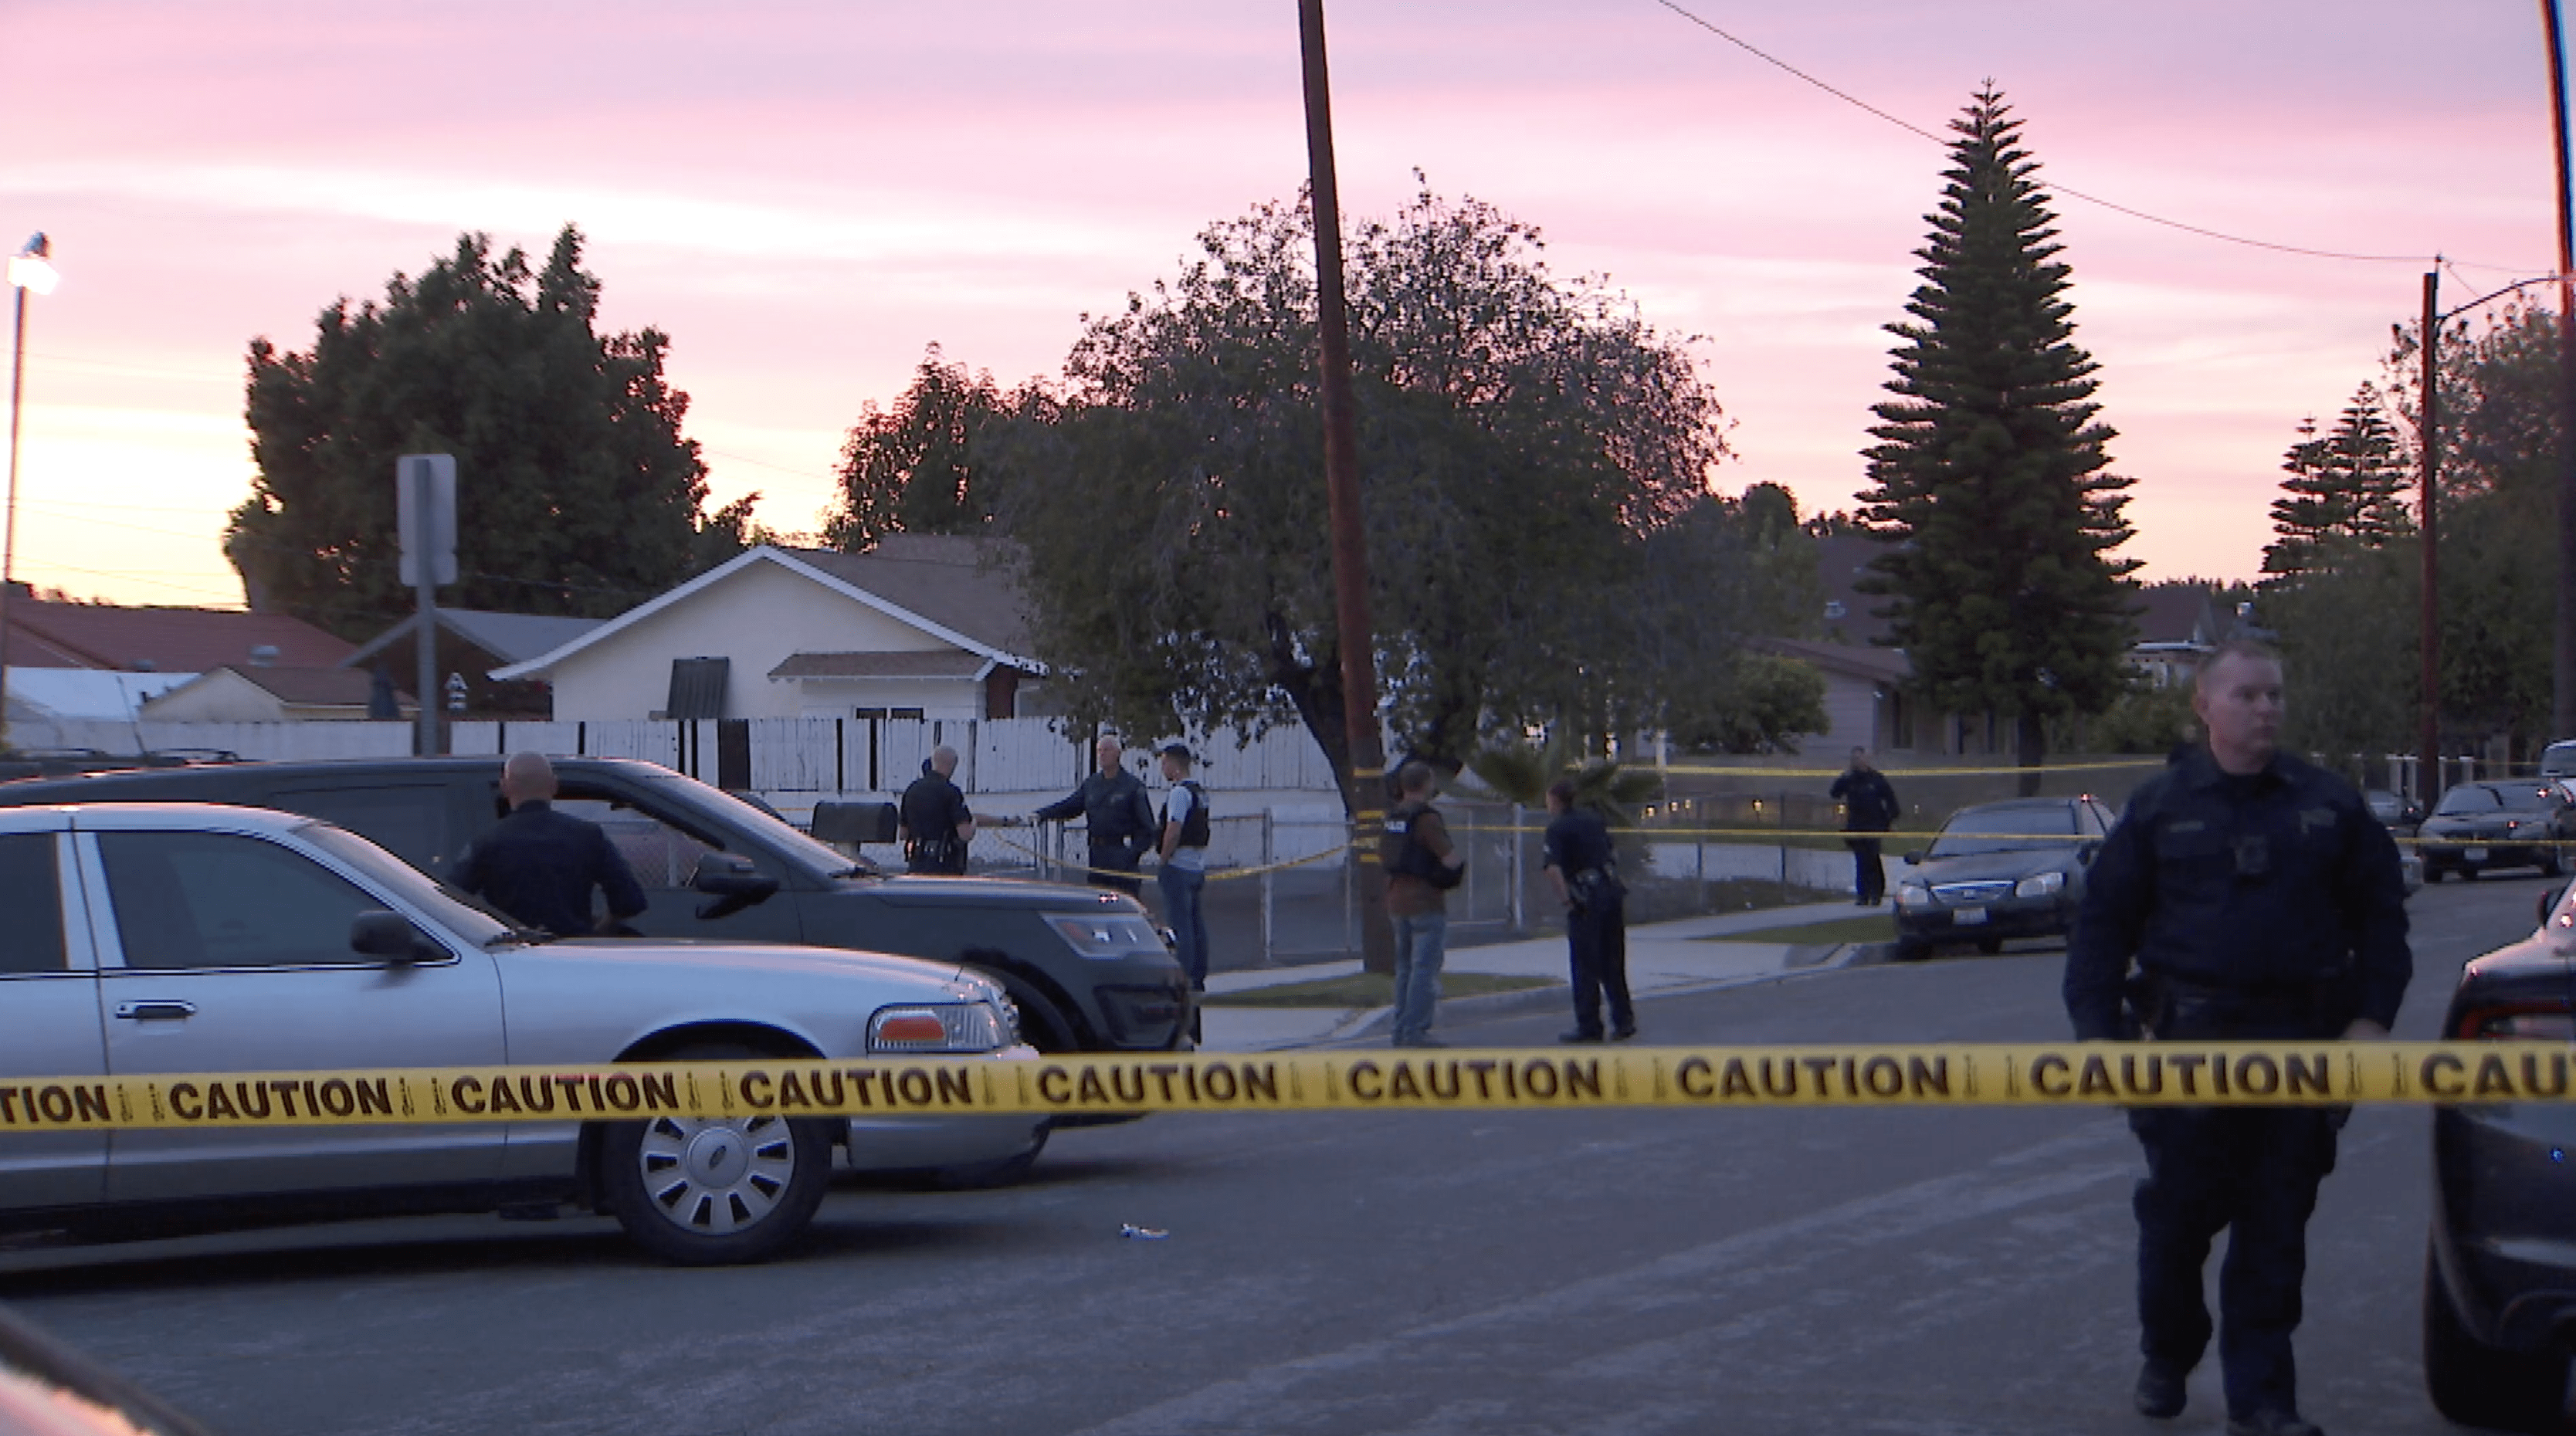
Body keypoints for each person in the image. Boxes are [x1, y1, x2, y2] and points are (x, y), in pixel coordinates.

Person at [2063, 640, 2411, 1436]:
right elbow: (2102, 930)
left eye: (2275, 696)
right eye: (2248, 696)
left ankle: (2262, 1402)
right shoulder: (2160, 808)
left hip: (2302, 1046)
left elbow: (2383, 923)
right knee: (2178, 1223)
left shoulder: (2328, 807)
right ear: (2205, 706)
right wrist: (2098, 1037)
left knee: (2274, 1229)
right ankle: (2169, 1348)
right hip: (2188, 1045)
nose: (2266, 710)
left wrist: (2369, 1022)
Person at [454, 751, 649, 937]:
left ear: (505, 788)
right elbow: (630, 902)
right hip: (572, 952)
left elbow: (452, 900)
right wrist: (597, 930)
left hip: (510, 955)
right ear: (554, 786)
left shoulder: (488, 842)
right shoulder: (588, 836)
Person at [1379, 760, 1464, 1048]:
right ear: (1426, 784)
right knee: (1424, 969)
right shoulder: (1426, 819)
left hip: (1396, 900)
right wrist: (1455, 870)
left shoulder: (1393, 816)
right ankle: (1415, 1030)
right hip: (1425, 902)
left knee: (1404, 969)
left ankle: (1400, 1030)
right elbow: (1449, 857)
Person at [1543, 777, 1634, 1044]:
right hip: (1610, 890)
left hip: (1586, 897)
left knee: (1585, 964)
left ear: (1556, 800)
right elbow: (1610, 851)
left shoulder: (1557, 828)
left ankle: (1590, 1025)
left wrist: (1567, 901)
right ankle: (1624, 1019)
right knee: (1613, 961)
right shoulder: (1594, 819)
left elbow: (1553, 868)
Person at [1033, 736, 1158, 896]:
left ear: (1117, 754)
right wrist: (1041, 814)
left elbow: (1147, 827)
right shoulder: (1092, 784)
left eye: (1107, 750)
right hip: (1097, 854)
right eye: (1099, 751)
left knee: (1124, 902)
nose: (1102, 755)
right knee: (1099, 901)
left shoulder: (1132, 786)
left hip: (1121, 853)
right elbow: (1070, 806)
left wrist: (1132, 853)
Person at [1154, 743, 1212, 991]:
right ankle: (1199, 975)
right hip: (1196, 867)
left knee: (1181, 927)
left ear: (1174, 766)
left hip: (1178, 867)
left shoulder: (1179, 793)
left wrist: (1164, 858)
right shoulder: (1201, 792)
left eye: (1164, 763)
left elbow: (1174, 830)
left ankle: (1184, 978)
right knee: (1196, 924)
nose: (1163, 768)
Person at [1829, 747, 1898, 906]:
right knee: (1861, 859)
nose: (1857, 762)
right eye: (1854, 759)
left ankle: (1876, 892)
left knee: (1872, 858)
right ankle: (1863, 895)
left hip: (1874, 824)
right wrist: (1843, 777)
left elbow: (1892, 802)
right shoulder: (1850, 779)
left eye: (1860, 758)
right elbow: (1834, 793)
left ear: (1866, 759)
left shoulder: (1876, 779)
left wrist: (1886, 820)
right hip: (1856, 824)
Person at [897, 745, 977, 875]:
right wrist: (974, 823)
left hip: (917, 863)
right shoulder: (950, 792)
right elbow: (965, 834)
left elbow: (903, 834)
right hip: (945, 865)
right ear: (952, 764)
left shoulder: (912, 790)